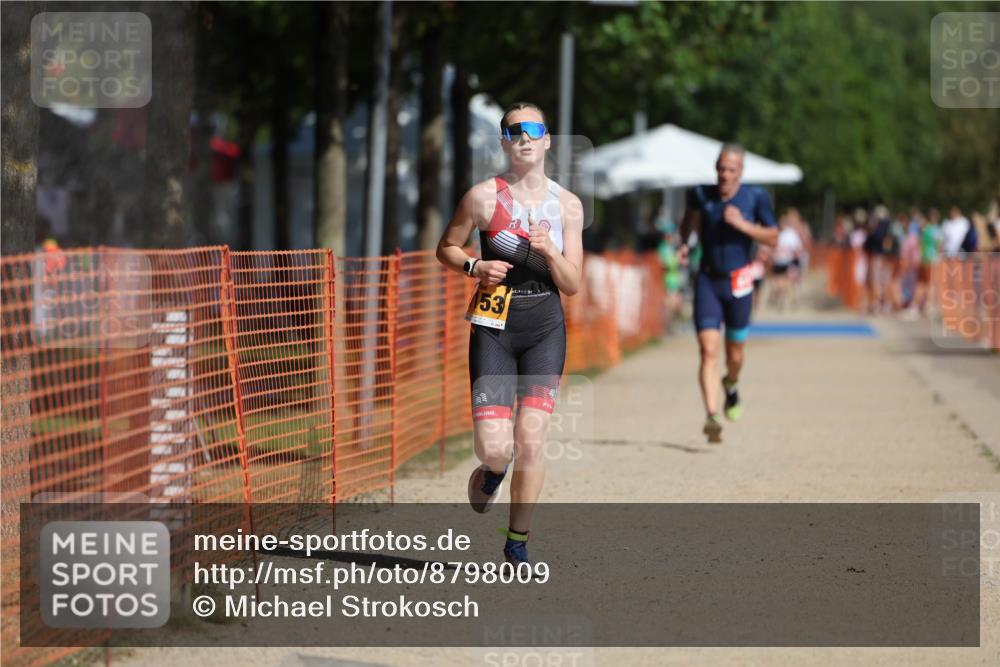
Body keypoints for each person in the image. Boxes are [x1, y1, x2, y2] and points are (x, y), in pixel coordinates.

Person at [436, 102, 583, 565]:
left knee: (533, 439)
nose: (523, 136)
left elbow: (573, 284)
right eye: (513, 130)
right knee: (495, 449)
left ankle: (517, 541)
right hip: (494, 328)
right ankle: (495, 471)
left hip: (544, 326)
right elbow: (447, 247)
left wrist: (549, 252)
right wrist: (475, 265)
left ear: (547, 140)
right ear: (504, 141)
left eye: (533, 128)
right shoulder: (482, 198)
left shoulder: (568, 205)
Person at [679, 143, 778, 443]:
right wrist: (685, 244)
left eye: (731, 169)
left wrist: (743, 225)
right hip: (708, 280)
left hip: (739, 284)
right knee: (709, 351)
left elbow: (772, 236)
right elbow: (690, 222)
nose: (724, 174)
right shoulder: (701, 194)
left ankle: (731, 384)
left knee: (735, 354)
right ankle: (711, 415)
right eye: (721, 168)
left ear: (741, 172)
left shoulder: (755, 196)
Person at [769, 213, 804, 311]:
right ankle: (788, 301)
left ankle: (787, 301)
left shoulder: (788, 234)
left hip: (785, 262)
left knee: (783, 283)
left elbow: (797, 251)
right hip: (782, 262)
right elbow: (797, 250)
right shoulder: (782, 234)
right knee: (783, 283)